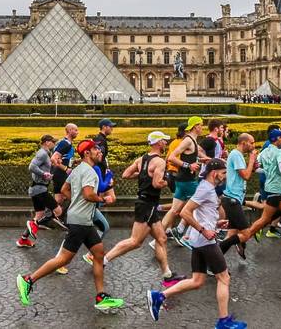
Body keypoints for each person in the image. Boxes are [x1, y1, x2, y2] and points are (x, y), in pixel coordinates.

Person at [16, 139, 125, 312]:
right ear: (87, 153)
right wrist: (104, 199)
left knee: (98, 254)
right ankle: (28, 280)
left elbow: (65, 189)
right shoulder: (89, 171)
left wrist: (77, 199)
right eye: (95, 149)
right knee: (63, 259)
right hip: (81, 221)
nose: (99, 152)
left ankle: (101, 296)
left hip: (83, 220)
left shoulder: (77, 170)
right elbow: (89, 194)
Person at [147, 158, 246, 329]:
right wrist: (203, 230)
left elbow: (201, 214)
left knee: (197, 280)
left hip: (200, 240)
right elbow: (185, 212)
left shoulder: (208, 188)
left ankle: (159, 296)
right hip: (205, 240)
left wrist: (215, 224)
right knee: (224, 278)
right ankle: (224, 322)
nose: (225, 177)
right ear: (214, 173)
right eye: (223, 173)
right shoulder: (205, 189)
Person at [103, 131, 182, 287]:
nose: (166, 143)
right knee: (135, 241)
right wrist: (168, 180)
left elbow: (126, 174)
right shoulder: (159, 162)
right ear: (158, 143)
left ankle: (167, 275)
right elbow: (156, 184)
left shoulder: (141, 159)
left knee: (161, 239)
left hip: (145, 203)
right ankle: (102, 260)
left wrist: (143, 174)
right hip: (148, 204)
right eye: (164, 141)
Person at [241, 129, 281, 257]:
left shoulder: (263, 152)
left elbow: (256, 168)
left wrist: (267, 172)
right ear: (275, 139)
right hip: (275, 190)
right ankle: (241, 240)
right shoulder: (279, 152)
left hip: (272, 189)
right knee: (264, 220)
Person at [163, 117, 206, 242]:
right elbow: (172, 157)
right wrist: (189, 166)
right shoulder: (188, 140)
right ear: (195, 127)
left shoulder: (192, 140)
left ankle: (157, 239)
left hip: (182, 180)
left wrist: (205, 160)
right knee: (199, 206)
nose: (202, 127)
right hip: (188, 181)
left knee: (174, 210)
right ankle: (183, 233)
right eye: (201, 125)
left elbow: (192, 156)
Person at [18, 134, 65, 247]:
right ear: (47, 142)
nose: (54, 144)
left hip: (36, 189)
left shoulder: (46, 154)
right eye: (53, 142)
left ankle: (23, 239)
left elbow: (43, 168)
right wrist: (44, 174)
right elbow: (31, 167)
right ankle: (33, 224)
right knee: (58, 211)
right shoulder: (42, 153)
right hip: (39, 189)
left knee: (39, 214)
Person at [216, 133, 257, 260]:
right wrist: (251, 160)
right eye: (252, 142)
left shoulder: (236, 155)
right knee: (246, 234)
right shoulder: (237, 155)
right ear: (244, 142)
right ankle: (213, 258)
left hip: (232, 199)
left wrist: (253, 166)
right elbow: (246, 176)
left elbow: (242, 174)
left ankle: (215, 262)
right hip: (232, 200)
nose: (253, 146)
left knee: (231, 234)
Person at [50, 124, 79, 209]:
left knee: (59, 200)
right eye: (76, 130)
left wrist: (77, 161)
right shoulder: (65, 143)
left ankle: (50, 218)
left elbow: (65, 159)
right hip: (61, 174)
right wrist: (66, 169)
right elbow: (53, 159)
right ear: (70, 130)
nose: (78, 132)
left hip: (60, 174)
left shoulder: (67, 143)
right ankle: (47, 217)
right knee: (68, 197)